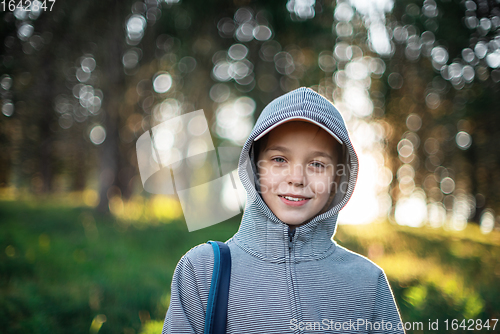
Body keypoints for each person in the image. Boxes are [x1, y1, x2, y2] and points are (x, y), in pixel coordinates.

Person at [162, 87, 405, 333]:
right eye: (279, 159)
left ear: (338, 180)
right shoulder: (202, 270)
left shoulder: (368, 283)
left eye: (317, 164)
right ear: (255, 168)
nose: (297, 178)